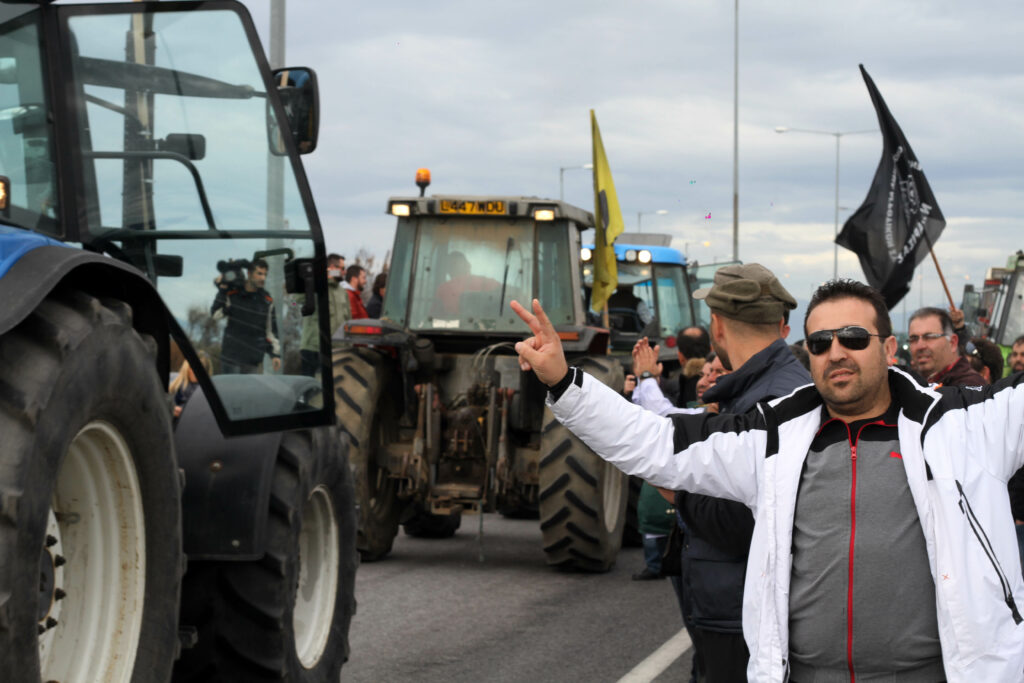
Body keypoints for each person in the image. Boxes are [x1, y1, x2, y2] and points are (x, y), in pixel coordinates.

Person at [511, 277, 1024, 682]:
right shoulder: (773, 434)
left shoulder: (966, 424)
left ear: (889, 348)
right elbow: (656, 445)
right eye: (820, 342)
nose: (835, 352)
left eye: (852, 338)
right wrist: (564, 380)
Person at [628, 264, 810, 683]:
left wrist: (681, 492)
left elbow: (753, 521)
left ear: (717, 325)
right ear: (780, 324)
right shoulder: (768, 388)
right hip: (736, 606)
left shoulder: (768, 397)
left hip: (742, 613)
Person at [211, 258, 281, 374]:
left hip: (252, 359)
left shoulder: (266, 300)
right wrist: (222, 290)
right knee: (230, 392)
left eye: (265, 274)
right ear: (249, 273)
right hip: (231, 357)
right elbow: (216, 315)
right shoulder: (233, 294)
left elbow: (271, 330)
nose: (263, 278)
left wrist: (275, 354)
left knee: (249, 392)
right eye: (259, 273)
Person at [299, 253, 349, 377]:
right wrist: (317, 280)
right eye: (342, 268)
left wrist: (348, 347)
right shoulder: (316, 286)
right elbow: (295, 301)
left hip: (337, 351)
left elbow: (348, 321)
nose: (344, 272)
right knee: (310, 391)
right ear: (332, 268)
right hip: (313, 349)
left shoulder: (343, 293)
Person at [908, 306, 985, 386]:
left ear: (952, 343)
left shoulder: (970, 388)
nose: (920, 346)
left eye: (929, 337)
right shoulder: (912, 385)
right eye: (914, 339)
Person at [432, 251, 502, 316]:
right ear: (468, 265)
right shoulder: (484, 282)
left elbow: (434, 317)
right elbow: (507, 292)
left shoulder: (443, 289)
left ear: (448, 270)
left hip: (452, 327)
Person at [168, 352, 212, 421]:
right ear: (187, 367)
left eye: (201, 369)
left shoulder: (207, 392)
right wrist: (169, 409)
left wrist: (185, 414)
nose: (196, 372)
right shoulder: (172, 381)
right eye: (193, 367)